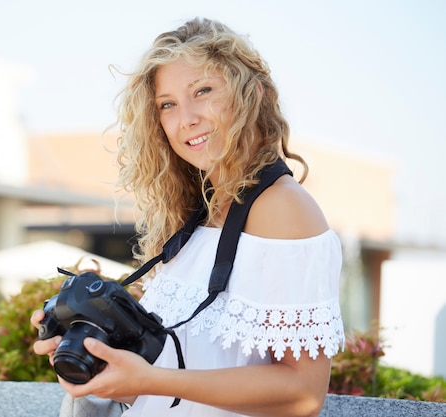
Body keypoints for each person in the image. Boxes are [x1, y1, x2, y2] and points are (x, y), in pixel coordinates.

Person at [31, 17, 344, 417]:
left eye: (204, 91)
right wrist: (100, 357)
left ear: (253, 95)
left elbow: (302, 394)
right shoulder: (195, 218)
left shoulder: (283, 209)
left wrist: (148, 380)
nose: (187, 118)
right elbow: (187, 386)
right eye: (168, 104)